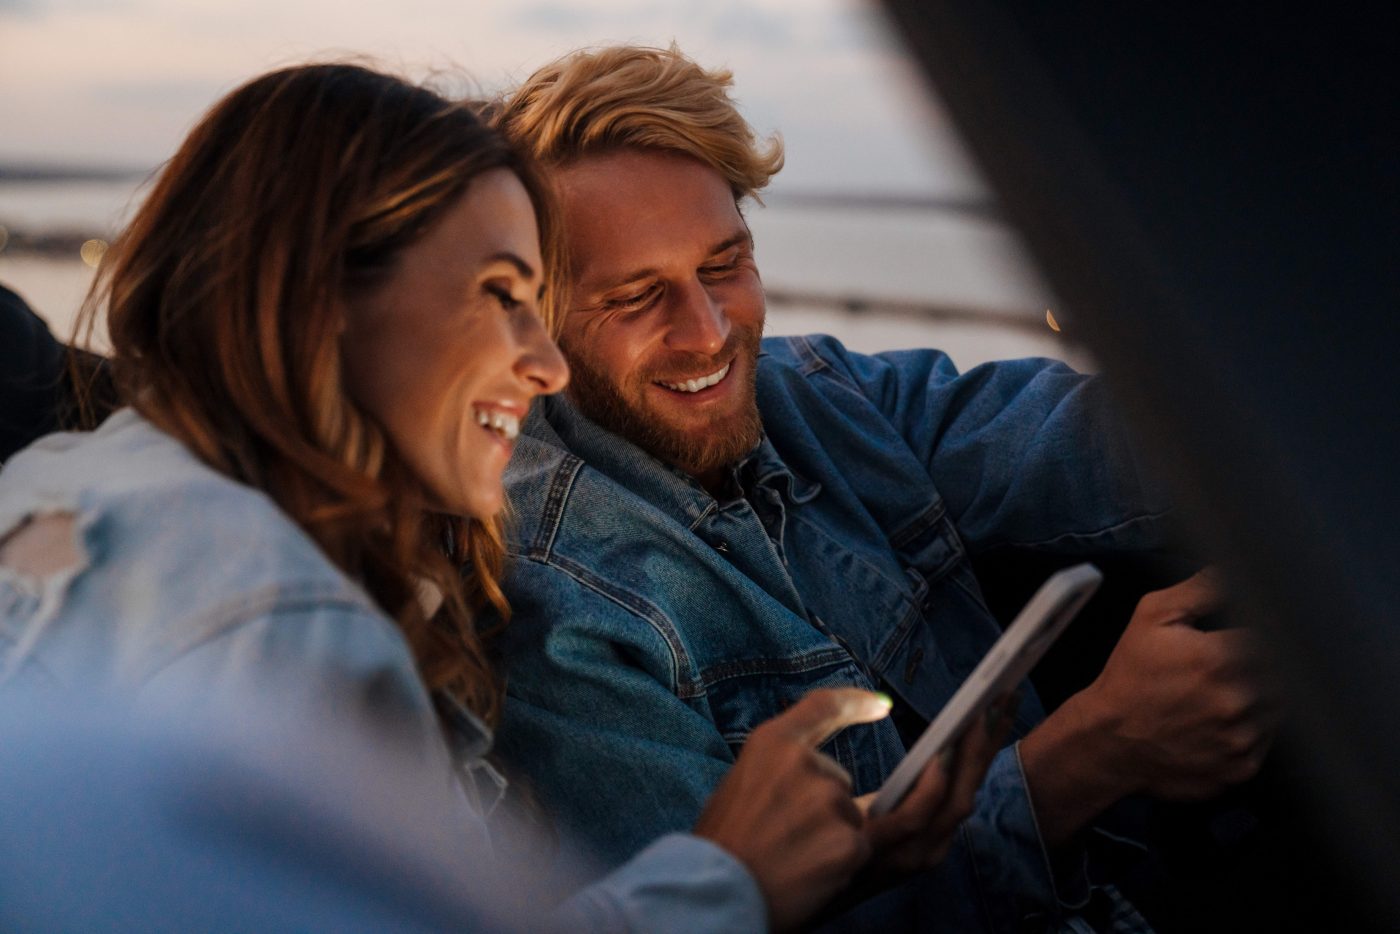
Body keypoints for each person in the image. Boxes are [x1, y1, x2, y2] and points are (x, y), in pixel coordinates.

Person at [0, 62, 1000, 932]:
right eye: (502, 295)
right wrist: (724, 881)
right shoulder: (280, 620)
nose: (545, 363)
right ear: (323, 301)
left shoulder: (59, 488)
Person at [488, 45, 1273, 931]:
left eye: (723, 266)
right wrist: (1092, 755)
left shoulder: (821, 393)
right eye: (636, 296)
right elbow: (747, 915)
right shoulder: (553, 611)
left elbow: (1082, 442)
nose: (707, 333)